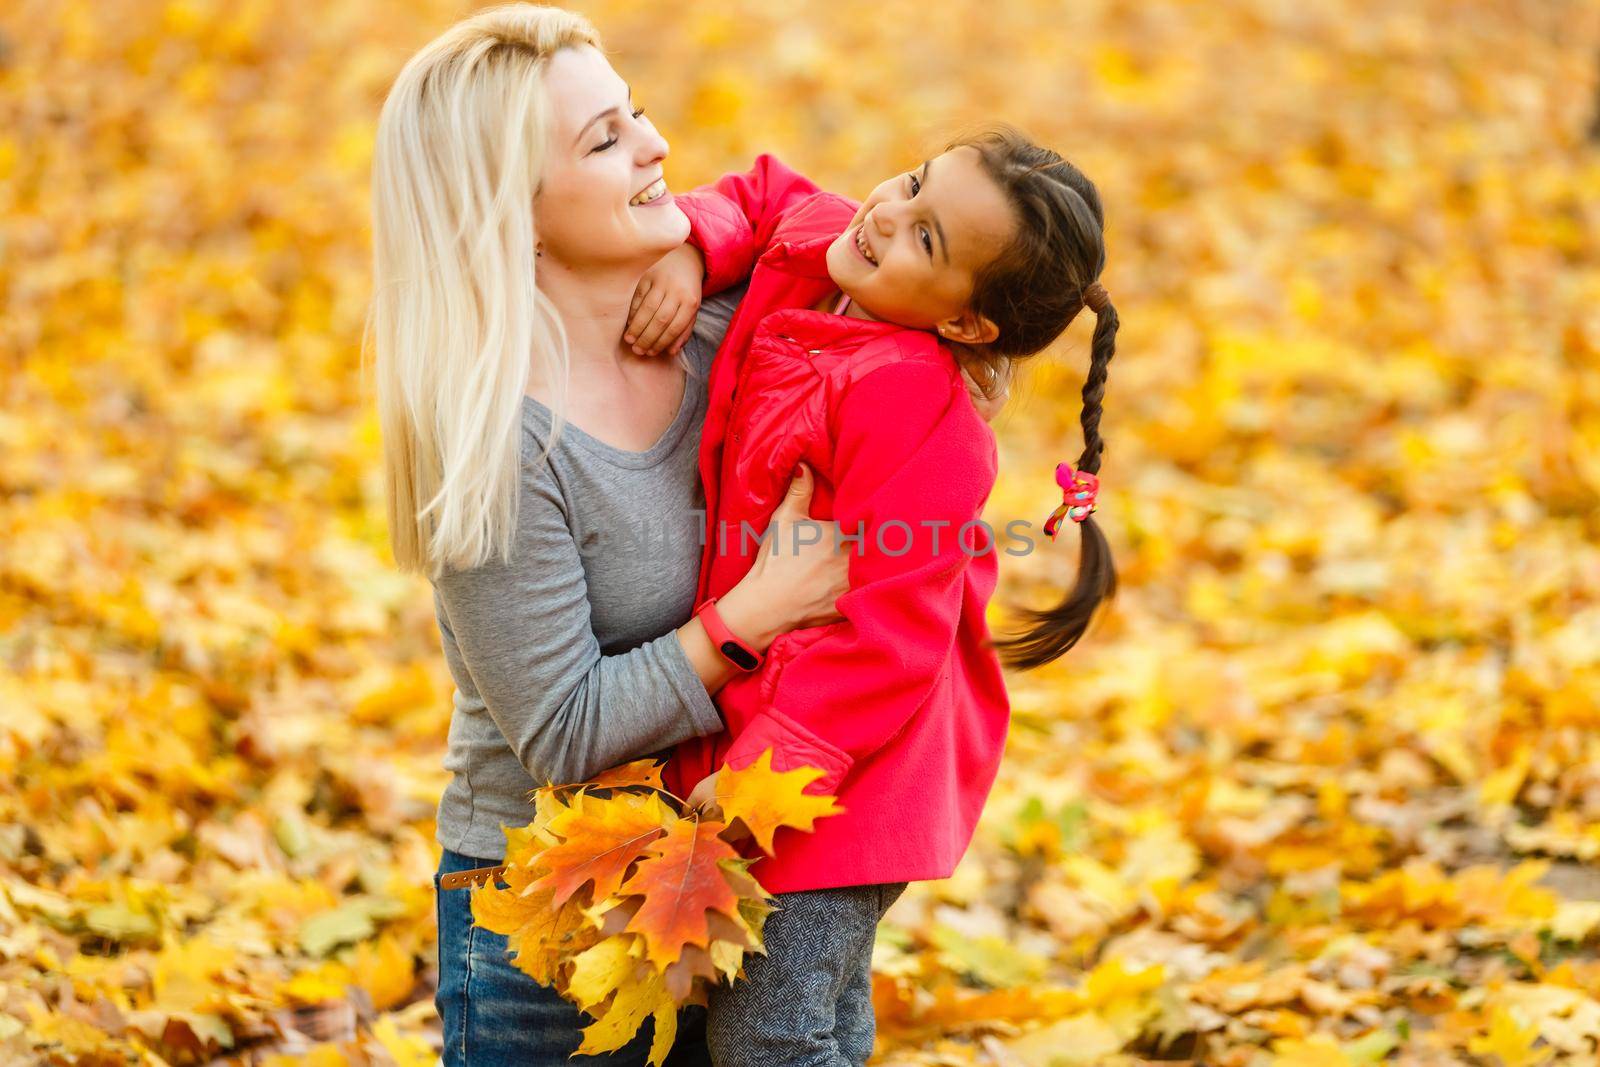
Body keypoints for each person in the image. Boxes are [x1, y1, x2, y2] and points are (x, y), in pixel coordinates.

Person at [366, 7, 852, 1064]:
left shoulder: (734, 329)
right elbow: (563, 727)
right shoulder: (500, 440)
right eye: (603, 139)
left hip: (735, 878)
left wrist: (709, 240)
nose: (655, 146)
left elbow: (865, 232)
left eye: (634, 114)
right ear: (511, 209)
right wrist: (752, 614)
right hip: (549, 912)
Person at [633, 131, 1121, 1064]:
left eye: (927, 240)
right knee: (811, 1018)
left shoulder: (918, 411)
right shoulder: (825, 248)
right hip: (777, 719)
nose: (886, 214)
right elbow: (765, 191)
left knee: (773, 1033)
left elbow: (890, 643)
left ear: (969, 324)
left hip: (851, 774)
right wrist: (692, 245)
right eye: (911, 182)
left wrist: (759, 782)